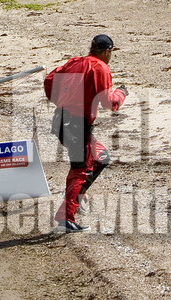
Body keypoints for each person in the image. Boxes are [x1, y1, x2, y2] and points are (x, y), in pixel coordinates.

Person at [44, 34, 127, 232]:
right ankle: (66, 218)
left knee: (101, 158)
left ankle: (75, 200)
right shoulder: (100, 67)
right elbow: (110, 103)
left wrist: (60, 100)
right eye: (111, 53)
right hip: (75, 125)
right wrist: (122, 93)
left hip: (62, 120)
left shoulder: (74, 62)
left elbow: (49, 80)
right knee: (81, 168)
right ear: (107, 52)